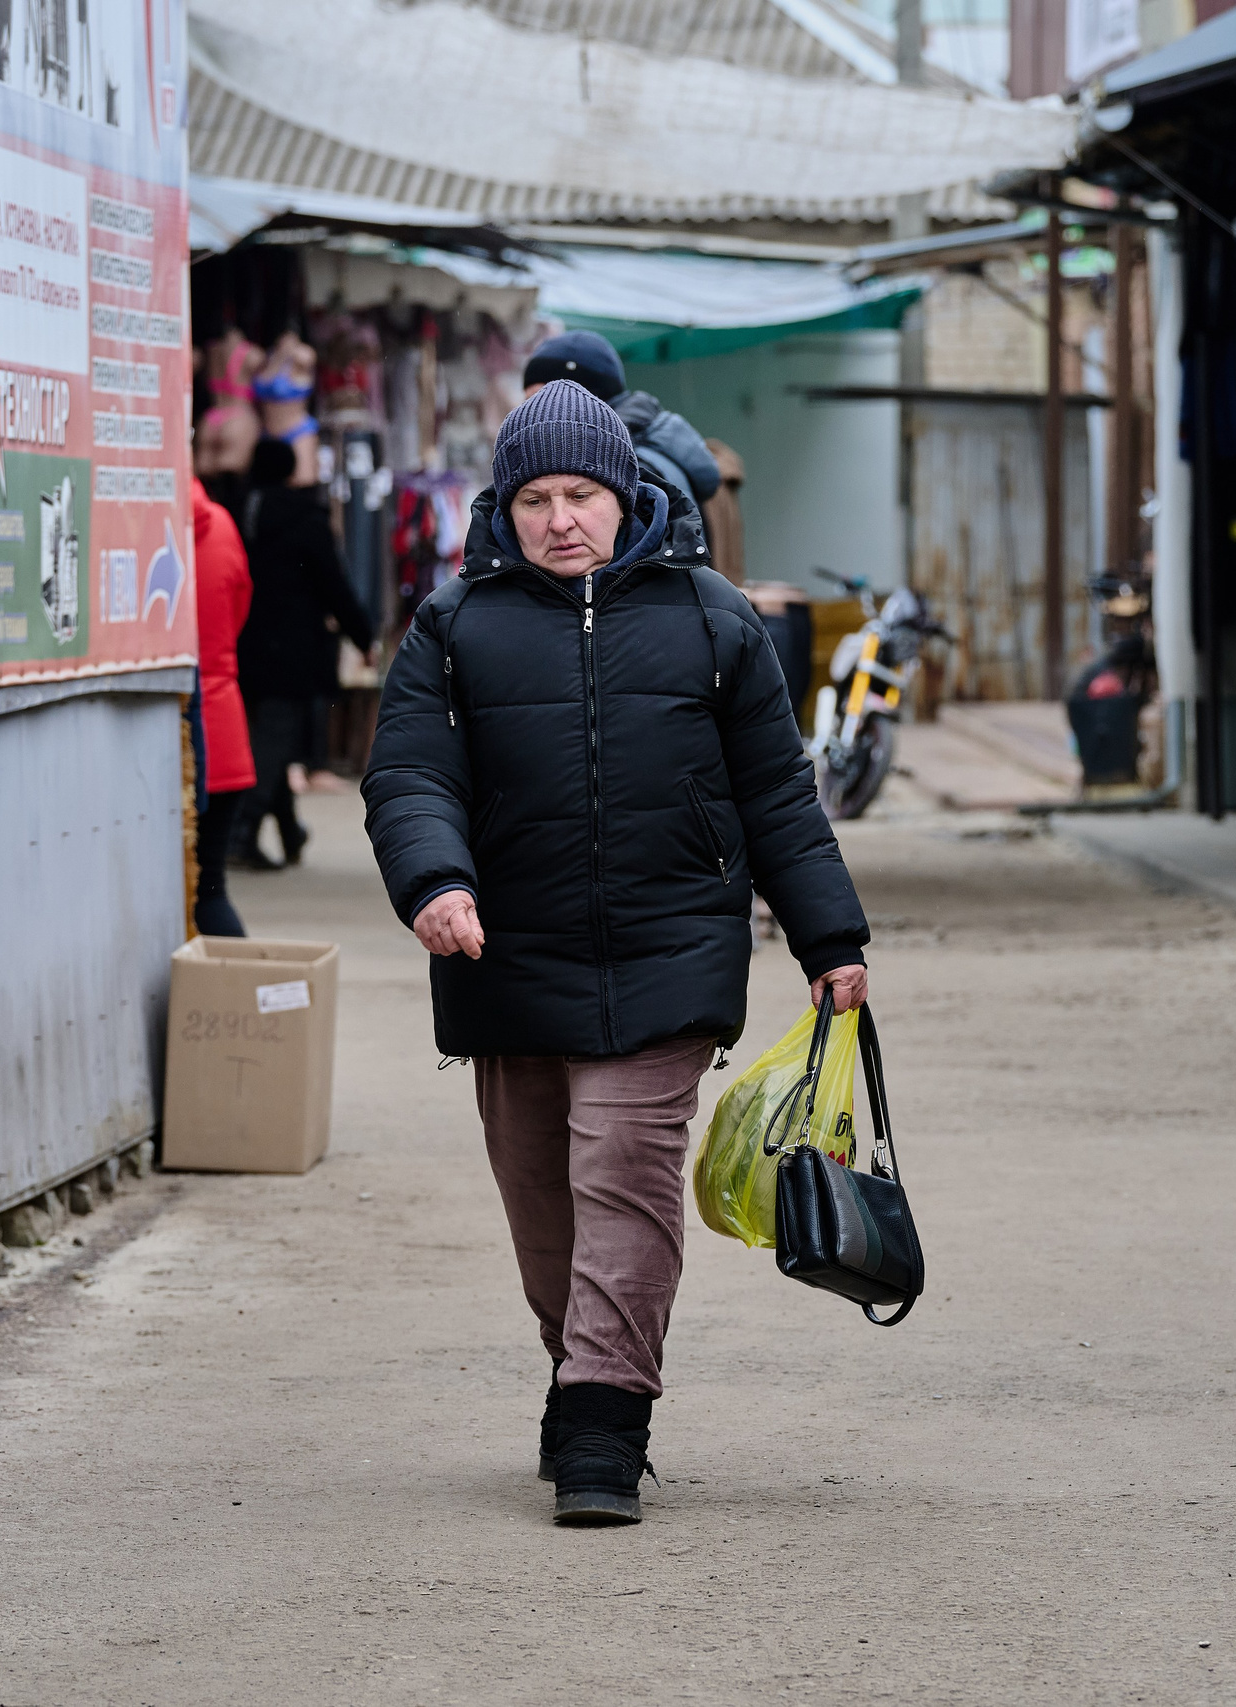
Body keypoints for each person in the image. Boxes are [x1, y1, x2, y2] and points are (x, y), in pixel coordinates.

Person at [361, 381, 871, 1526]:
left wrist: (828, 935)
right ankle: (579, 1363)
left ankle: (603, 1421)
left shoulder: (710, 618)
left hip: (668, 950)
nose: (559, 520)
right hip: (508, 957)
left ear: (625, 493)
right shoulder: (454, 626)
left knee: (624, 1184)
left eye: (581, 494)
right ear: (507, 505)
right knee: (544, 1200)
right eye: (534, 498)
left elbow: (777, 795)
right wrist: (435, 882)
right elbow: (407, 776)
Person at [236, 436, 375, 869]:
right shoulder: (303, 518)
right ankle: (240, 834)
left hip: (243, 642)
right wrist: (363, 636)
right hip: (291, 648)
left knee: (272, 736)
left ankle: (289, 830)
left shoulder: (237, 512)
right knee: (276, 739)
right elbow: (332, 583)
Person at [519, 331, 722, 524]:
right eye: (528, 401)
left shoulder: (628, 466)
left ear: (585, 396)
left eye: (541, 398)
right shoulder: (644, 447)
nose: (532, 412)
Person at [188, 476, 255, 935]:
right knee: (210, 886)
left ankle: (218, 1000)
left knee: (188, 892)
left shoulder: (134, 524)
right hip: (225, 731)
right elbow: (239, 605)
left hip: (173, 741)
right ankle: (232, 1001)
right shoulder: (222, 522)